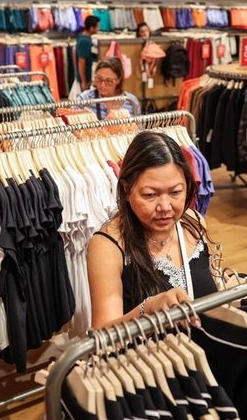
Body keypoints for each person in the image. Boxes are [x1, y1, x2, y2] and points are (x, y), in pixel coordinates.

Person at [87, 131, 217, 328]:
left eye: (175, 192)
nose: (165, 206)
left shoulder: (193, 222)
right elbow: (102, 332)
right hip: (150, 356)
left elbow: (214, 282)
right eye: (150, 195)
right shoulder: (108, 246)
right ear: (126, 189)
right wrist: (148, 308)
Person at [76, 15, 100, 92]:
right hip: (86, 75)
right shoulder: (84, 41)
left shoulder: (83, 37)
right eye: (97, 26)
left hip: (87, 75)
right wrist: (84, 81)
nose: (98, 28)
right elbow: (81, 61)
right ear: (91, 28)